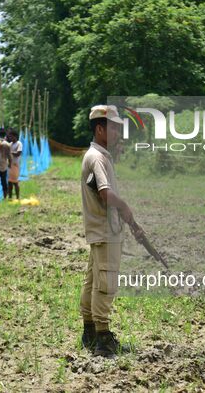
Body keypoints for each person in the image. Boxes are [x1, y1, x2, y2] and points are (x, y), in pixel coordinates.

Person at [79, 104, 145, 357]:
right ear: (99, 129)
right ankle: (103, 338)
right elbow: (105, 193)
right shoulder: (97, 158)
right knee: (106, 283)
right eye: (114, 128)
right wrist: (125, 205)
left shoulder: (98, 155)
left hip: (101, 230)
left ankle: (90, 330)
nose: (118, 133)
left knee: (93, 281)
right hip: (106, 231)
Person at [6, 129, 23, 200]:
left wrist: (10, 152)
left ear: (15, 136)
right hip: (10, 165)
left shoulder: (19, 143)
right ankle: (10, 197)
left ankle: (17, 197)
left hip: (15, 165)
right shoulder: (10, 144)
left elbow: (18, 153)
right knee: (9, 182)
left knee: (15, 182)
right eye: (9, 137)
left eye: (11, 137)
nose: (10, 138)